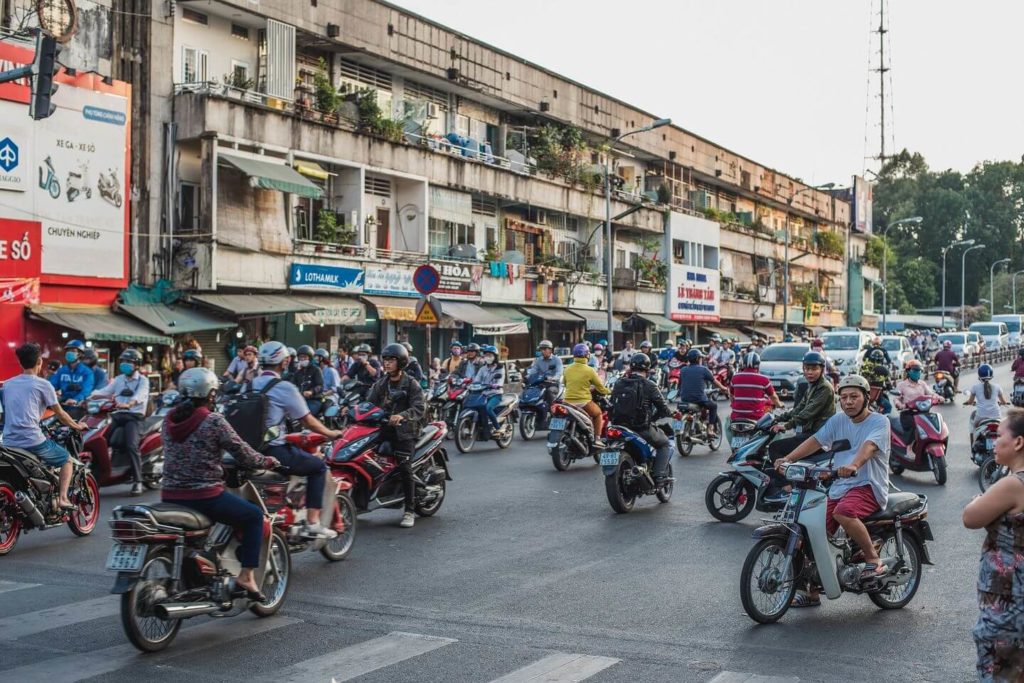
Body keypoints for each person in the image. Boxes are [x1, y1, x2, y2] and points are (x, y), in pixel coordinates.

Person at [161, 367, 280, 600]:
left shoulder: (168, 419)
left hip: (170, 494)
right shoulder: (214, 420)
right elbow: (244, 454)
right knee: (254, 516)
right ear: (211, 394)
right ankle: (246, 576)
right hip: (204, 497)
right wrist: (267, 461)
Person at [777, 374, 892, 605]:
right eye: (844, 397)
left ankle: (873, 560)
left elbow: (869, 447)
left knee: (844, 512)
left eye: (854, 397)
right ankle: (812, 592)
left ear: (866, 398)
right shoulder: (838, 420)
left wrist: (853, 465)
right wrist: (787, 459)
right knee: (811, 530)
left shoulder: (879, 421)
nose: (848, 401)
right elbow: (816, 441)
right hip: (841, 486)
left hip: (868, 484)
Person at [253, 341, 341, 538]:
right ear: (285, 362)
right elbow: (308, 420)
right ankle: (312, 523)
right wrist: (331, 433)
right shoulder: (284, 387)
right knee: (318, 467)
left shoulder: (250, 383)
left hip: (249, 450)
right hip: (273, 451)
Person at [963, 409, 1024, 681]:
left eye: (999, 436)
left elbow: (970, 517)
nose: (993, 442)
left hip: (1009, 594)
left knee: (998, 669)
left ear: (1018, 442)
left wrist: (977, 500)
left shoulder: (1012, 484)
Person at [2, 343, 88, 509]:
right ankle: (63, 498)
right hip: (32, 441)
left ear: (20, 363)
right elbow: (61, 414)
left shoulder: (8, 385)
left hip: (9, 442)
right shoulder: (43, 384)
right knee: (66, 460)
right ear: (40, 361)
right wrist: (77, 426)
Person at [365, 343, 426, 528]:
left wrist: (402, 416)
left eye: (391, 360)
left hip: (406, 431)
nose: (387, 363)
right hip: (384, 429)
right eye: (385, 360)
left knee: (404, 467)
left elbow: (419, 407)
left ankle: (409, 510)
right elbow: (369, 403)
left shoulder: (411, 384)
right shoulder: (381, 383)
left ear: (401, 362)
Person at [89, 348, 151, 494]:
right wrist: (88, 397)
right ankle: (97, 476)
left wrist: (129, 403)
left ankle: (138, 481)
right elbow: (104, 391)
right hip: (117, 415)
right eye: (123, 361)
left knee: (131, 445)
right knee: (99, 440)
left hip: (134, 417)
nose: (125, 364)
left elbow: (141, 395)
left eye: (129, 362)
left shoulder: (143, 380)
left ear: (136, 364)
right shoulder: (119, 379)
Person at [767, 351, 837, 476]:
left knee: (774, 448)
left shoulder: (824, 388)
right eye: (807, 368)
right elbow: (798, 409)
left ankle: (785, 485)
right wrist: (778, 418)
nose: (810, 372)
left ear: (822, 369)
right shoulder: (812, 386)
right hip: (810, 433)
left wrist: (786, 426)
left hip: (818, 436)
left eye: (814, 368)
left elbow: (807, 413)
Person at [608, 354, 673, 484]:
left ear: (631, 367)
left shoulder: (619, 383)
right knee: (665, 443)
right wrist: (656, 417)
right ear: (648, 369)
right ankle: (659, 476)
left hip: (618, 427)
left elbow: (611, 404)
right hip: (641, 428)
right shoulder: (649, 384)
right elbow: (664, 409)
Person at [563, 343, 611, 446]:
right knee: (598, 414)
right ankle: (597, 438)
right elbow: (601, 388)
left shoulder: (567, 369)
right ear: (587, 355)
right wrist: (610, 391)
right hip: (582, 402)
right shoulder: (590, 370)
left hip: (567, 402)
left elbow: (565, 384)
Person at [677, 349, 730, 437]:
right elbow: (715, 381)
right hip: (699, 399)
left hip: (684, 399)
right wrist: (724, 388)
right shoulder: (703, 369)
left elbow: (681, 384)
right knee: (713, 406)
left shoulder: (683, 370)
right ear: (698, 359)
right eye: (700, 358)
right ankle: (710, 429)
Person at [729, 351, 782, 424]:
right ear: (758, 365)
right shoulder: (763, 379)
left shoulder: (735, 378)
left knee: (727, 423)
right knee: (775, 427)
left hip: (736, 417)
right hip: (757, 418)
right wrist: (780, 404)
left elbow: (731, 396)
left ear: (743, 364)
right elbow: (773, 397)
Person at [894, 359, 941, 435]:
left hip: (923, 413)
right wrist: (899, 404)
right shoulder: (901, 385)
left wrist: (938, 397)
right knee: (913, 432)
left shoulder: (922, 384)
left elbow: (931, 394)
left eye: (919, 370)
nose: (917, 372)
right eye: (915, 370)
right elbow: (897, 398)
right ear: (908, 371)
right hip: (908, 414)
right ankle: (909, 446)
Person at [49, 339, 94, 412]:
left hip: (78, 406)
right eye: (68, 351)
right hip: (62, 405)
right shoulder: (61, 370)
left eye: (73, 351)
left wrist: (76, 399)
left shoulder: (87, 372)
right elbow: (51, 385)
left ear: (80, 354)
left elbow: (86, 390)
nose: (69, 353)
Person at [471, 345, 505, 439]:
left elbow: (500, 380)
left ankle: (498, 427)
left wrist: (496, 384)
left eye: (490, 355)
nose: (487, 357)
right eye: (486, 355)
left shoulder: (500, 368)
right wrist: (473, 384)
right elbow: (477, 380)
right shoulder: (483, 368)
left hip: (496, 393)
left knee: (488, 408)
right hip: (483, 393)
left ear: (495, 356)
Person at [965, 363, 1009, 431]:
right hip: (996, 416)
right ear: (991, 375)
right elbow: (1003, 402)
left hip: (981, 416)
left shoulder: (975, 387)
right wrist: (1005, 403)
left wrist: (967, 402)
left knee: (974, 428)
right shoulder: (997, 387)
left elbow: (970, 402)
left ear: (979, 375)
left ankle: (974, 441)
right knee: (1001, 431)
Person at [288, 345, 325, 417]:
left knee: (306, 415)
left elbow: (320, 386)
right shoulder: (297, 372)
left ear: (310, 358)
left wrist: (311, 391)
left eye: (305, 357)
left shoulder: (316, 370)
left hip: (314, 400)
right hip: (300, 400)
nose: (302, 359)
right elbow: (292, 385)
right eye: (300, 357)